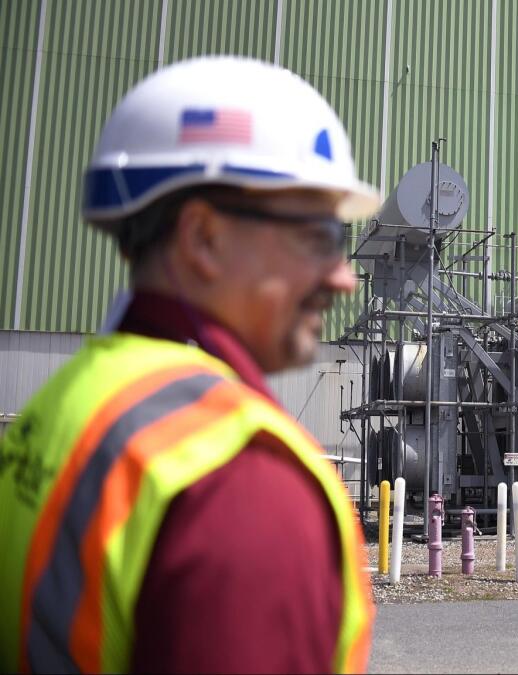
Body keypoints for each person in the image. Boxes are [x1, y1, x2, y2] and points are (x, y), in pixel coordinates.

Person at [0, 56, 380, 673]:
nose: (343, 278)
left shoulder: (70, 402)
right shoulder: (241, 482)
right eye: (319, 236)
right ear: (204, 238)